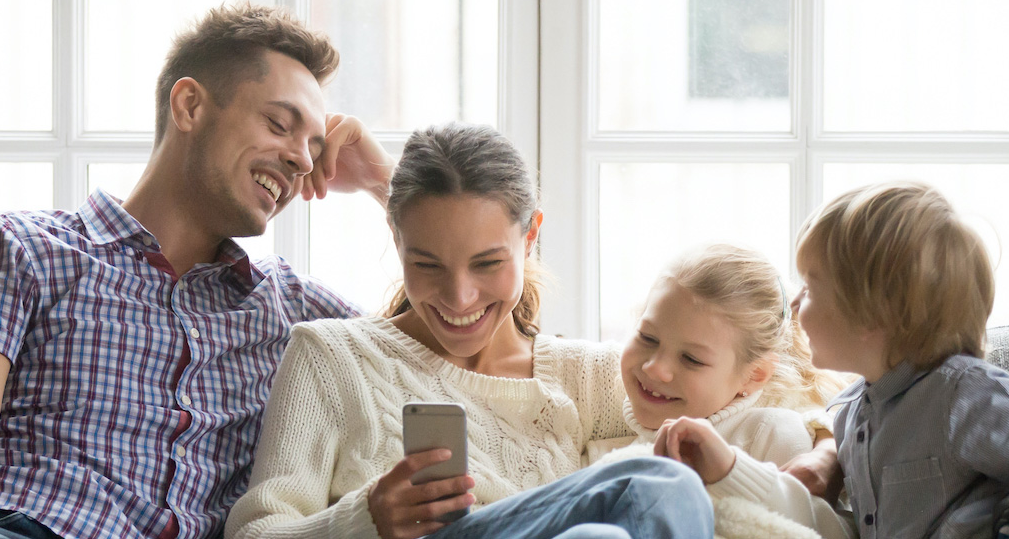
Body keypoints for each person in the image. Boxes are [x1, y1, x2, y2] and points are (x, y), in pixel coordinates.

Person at [0, 4, 395, 539]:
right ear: (189, 106)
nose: (303, 161)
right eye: (280, 124)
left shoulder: (290, 308)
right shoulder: (26, 251)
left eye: (314, 149)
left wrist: (383, 183)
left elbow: (462, 335)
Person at [224, 122, 714, 539]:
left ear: (530, 236)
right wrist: (364, 520)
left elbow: (740, 409)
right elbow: (254, 531)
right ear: (396, 242)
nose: (460, 298)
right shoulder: (334, 356)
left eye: (487, 264)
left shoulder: (590, 377)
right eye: (427, 264)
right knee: (660, 485)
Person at [661, 181, 1009, 538]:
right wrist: (730, 471)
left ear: (870, 313)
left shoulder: (963, 395)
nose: (795, 305)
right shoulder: (850, 415)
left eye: (810, 288)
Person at [582, 244, 856, 539]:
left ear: (754, 375)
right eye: (647, 337)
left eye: (691, 359)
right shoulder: (611, 446)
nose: (655, 368)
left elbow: (826, 530)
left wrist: (732, 473)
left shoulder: (771, 432)